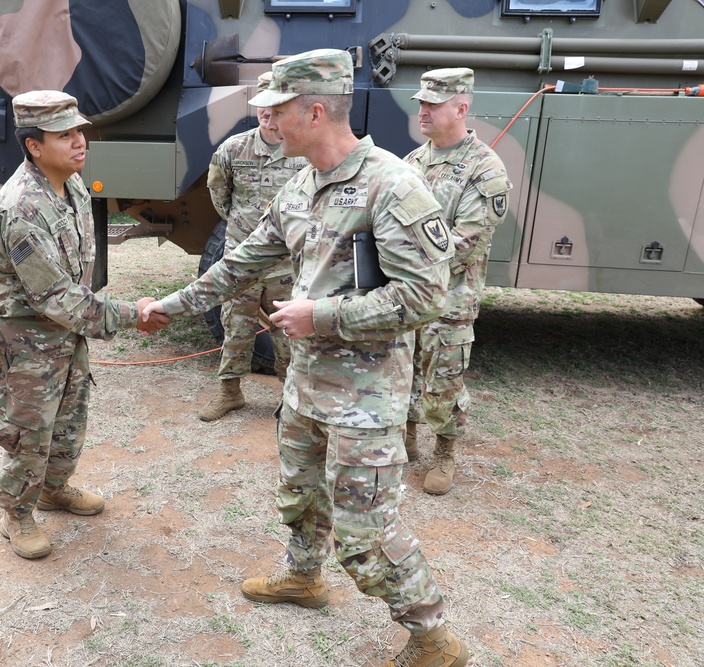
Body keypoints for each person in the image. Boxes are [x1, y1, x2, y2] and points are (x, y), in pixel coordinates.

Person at [142, 49, 469, 667]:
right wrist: (173, 305)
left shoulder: (393, 185)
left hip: (366, 398)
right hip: (305, 384)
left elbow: (426, 295)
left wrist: (321, 315)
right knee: (300, 495)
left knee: (366, 533)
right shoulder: (299, 186)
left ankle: (434, 637)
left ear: (314, 111)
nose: (266, 122)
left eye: (276, 111)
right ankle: (302, 577)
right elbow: (240, 262)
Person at [0, 90, 170, 560]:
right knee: (30, 430)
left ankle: (54, 488)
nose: (80, 142)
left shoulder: (74, 185)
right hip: (28, 342)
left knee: (68, 421)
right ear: (34, 146)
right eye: (65, 135)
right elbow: (56, 298)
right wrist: (133, 314)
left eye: (79, 131)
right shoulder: (20, 210)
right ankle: (16, 513)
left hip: (69, 334)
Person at [403, 68, 511, 495]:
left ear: (461, 108)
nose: (423, 111)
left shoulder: (484, 169)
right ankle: (405, 435)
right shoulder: (413, 162)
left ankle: (445, 451)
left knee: (443, 377)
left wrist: (405, 257)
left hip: (452, 297)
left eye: (433, 103)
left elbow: (465, 242)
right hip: (409, 294)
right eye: (421, 103)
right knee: (405, 368)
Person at [198, 71, 308, 421]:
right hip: (241, 258)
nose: (267, 114)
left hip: (284, 263)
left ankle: (289, 398)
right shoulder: (233, 149)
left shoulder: (303, 154)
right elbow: (220, 198)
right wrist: (245, 232)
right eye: (262, 105)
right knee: (235, 326)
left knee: (287, 332)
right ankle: (230, 393)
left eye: (275, 106)